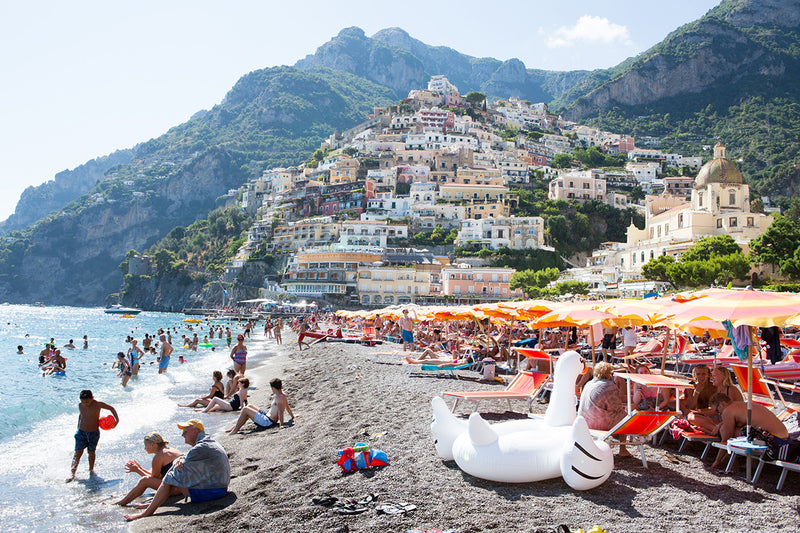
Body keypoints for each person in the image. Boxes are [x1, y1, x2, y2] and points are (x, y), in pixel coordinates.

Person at [123, 419, 230, 521]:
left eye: (185, 431)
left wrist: (138, 470)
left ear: (196, 431)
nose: (182, 435)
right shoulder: (207, 443)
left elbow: (167, 474)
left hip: (213, 492)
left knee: (171, 476)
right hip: (220, 488)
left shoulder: (199, 448)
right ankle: (154, 503)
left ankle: (146, 512)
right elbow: (184, 457)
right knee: (172, 475)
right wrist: (179, 460)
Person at [708, 393, 790, 470]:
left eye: (717, 411)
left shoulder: (727, 411)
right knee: (745, 430)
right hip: (785, 439)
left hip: (773, 441)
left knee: (724, 429)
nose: (719, 414)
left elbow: (726, 439)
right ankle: (752, 463)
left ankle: (731, 463)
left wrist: (716, 462)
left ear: (722, 404)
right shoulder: (740, 405)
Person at [111, 432, 183, 506]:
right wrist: (140, 468)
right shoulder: (169, 450)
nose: (145, 448)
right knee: (146, 479)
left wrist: (137, 470)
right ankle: (124, 495)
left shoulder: (159, 457)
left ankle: (120, 503)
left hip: (177, 490)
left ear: (153, 445)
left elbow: (151, 479)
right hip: (182, 486)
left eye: (146, 445)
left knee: (144, 481)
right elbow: (154, 477)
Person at [577, 362, 630, 456]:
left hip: (585, 420)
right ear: (609, 373)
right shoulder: (609, 386)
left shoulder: (589, 383)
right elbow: (616, 408)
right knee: (625, 417)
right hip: (599, 422)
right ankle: (623, 449)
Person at [67, 390, 119, 482]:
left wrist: (116, 420)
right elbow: (81, 416)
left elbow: (111, 408)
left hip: (93, 433)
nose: (85, 403)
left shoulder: (97, 404)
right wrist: (78, 427)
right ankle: (72, 473)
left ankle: (91, 470)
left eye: (87, 401)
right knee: (78, 453)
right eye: (83, 401)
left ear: (92, 398)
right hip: (81, 432)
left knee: (91, 452)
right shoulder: (80, 405)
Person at [226, 378, 295, 434]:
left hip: (268, 422)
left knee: (245, 410)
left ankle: (235, 430)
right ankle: (235, 427)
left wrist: (281, 424)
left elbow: (281, 411)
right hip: (266, 416)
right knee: (249, 406)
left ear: (273, 388)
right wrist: (293, 416)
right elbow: (287, 407)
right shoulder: (283, 395)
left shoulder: (278, 397)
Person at [688, 366, 744, 433]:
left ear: (723, 377)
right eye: (712, 375)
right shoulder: (718, 390)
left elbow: (728, 412)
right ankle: (716, 429)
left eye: (714, 376)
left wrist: (700, 412)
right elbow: (714, 409)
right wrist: (699, 411)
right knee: (691, 416)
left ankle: (717, 430)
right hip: (722, 419)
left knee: (694, 417)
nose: (711, 378)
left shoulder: (731, 390)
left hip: (731, 421)